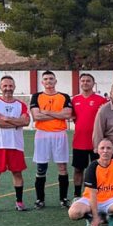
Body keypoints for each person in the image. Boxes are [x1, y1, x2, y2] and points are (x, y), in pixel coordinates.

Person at [67, 138, 113, 226]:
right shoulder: (92, 167)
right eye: (102, 148)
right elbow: (93, 194)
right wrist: (95, 218)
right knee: (73, 213)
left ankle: (108, 217)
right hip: (91, 199)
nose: (105, 151)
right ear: (97, 150)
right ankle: (90, 218)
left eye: (108, 148)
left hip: (111, 199)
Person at [0, 75, 29, 213]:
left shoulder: (21, 105)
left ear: (14, 87)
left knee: (17, 173)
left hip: (16, 145)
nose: (8, 88)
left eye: (10, 86)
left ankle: (19, 202)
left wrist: (7, 118)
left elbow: (26, 122)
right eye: (5, 86)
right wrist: (16, 123)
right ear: (0, 87)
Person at [30, 70, 73, 209]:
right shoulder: (36, 96)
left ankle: (63, 199)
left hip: (59, 134)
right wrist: (58, 115)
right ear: (42, 82)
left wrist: (46, 112)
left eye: (51, 79)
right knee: (41, 167)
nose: (48, 81)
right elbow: (36, 116)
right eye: (46, 79)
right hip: (42, 134)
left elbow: (67, 114)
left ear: (55, 81)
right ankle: (40, 199)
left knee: (62, 167)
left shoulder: (64, 96)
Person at [70, 73, 108, 199]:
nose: (85, 83)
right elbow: (73, 118)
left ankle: (98, 194)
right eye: (83, 81)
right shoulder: (74, 100)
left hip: (96, 142)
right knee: (78, 169)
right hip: (79, 142)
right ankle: (76, 195)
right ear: (80, 83)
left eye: (88, 81)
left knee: (98, 170)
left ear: (93, 83)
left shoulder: (101, 100)